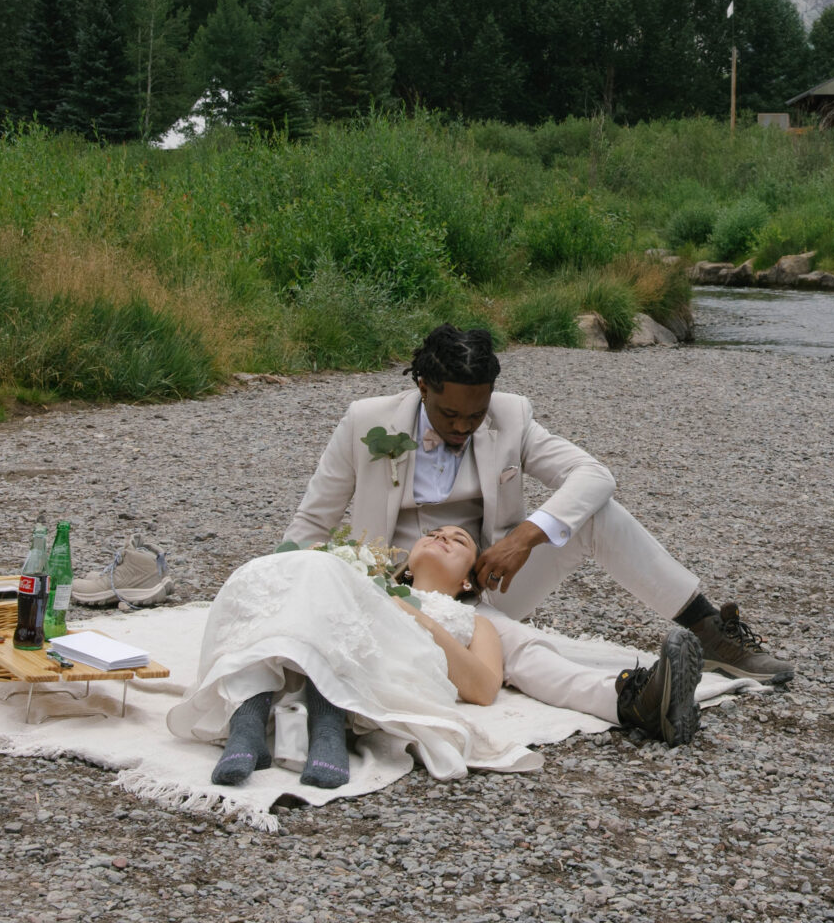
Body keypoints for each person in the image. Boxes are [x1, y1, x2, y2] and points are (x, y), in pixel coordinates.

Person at [283, 323, 795, 686]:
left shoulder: (511, 416)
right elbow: (313, 519)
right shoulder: (364, 422)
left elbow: (595, 475)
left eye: (475, 414)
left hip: (485, 585)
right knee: (522, 661)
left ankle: (709, 632)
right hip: (391, 596)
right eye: (449, 414)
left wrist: (524, 538)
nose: (463, 427)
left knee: (597, 513)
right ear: (422, 386)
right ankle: (632, 696)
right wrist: (278, 593)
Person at [168, 524, 703, 788]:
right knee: (287, 571)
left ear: (472, 576)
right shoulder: (355, 577)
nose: (444, 536)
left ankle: (327, 725)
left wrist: (417, 617)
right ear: (404, 560)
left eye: (460, 539)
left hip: (394, 658)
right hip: (314, 641)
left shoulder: (477, 621)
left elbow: (482, 687)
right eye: (434, 533)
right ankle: (248, 723)